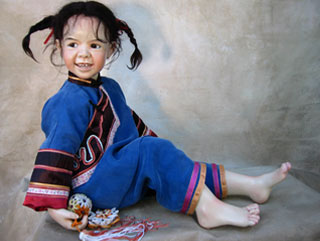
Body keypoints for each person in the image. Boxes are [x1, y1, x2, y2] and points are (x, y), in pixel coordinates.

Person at [22, 1, 291, 231]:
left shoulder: (110, 87)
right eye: (73, 44)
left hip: (116, 174)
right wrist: (54, 207)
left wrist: (165, 158)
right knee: (153, 151)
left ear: (111, 48)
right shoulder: (68, 100)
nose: (83, 53)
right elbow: (56, 149)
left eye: (94, 44)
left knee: (172, 162)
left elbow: (130, 127)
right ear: (59, 47)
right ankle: (207, 209)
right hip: (92, 185)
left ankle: (250, 185)